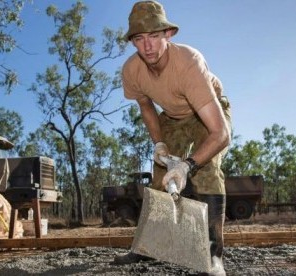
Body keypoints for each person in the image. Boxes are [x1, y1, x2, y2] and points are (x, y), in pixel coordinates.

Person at [114, 1, 231, 275]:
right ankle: (147, 248)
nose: (148, 46)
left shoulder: (189, 62)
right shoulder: (132, 71)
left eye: (154, 36)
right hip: (172, 115)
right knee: (159, 176)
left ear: (168, 34)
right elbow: (145, 106)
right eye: (140, 39)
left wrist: (187, 165)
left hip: (206, 111)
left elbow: (220, 134)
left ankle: (214, 257)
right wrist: (159, 144)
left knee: (207, 170)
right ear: (132, 41)